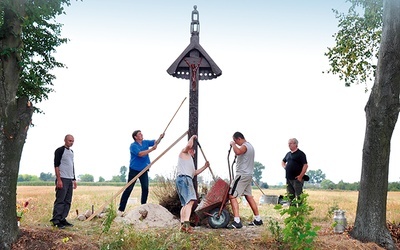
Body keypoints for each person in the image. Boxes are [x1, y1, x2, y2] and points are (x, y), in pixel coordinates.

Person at [118, 130, 164, 215]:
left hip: (144, 169)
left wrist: (160, 138)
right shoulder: (133, 146)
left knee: (145, 188)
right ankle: (121, 209)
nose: (141, 134)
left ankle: (143, 207)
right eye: (139, 134)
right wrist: (151, 150)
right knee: (129, 188)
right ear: (135, 137)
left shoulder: (145, 142)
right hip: (134, 169)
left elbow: (155, 142)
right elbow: (140, 154)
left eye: (141, 133)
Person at [227, 132, 263, 229]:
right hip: (248, 175)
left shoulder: (245, 146)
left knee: (232, 195)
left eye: (235, 141)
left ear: (238, 139)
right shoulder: (250, 146)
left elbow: (238, 152)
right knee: (249, 196)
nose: (235, 143)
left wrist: (233, 145)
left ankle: (237, 221)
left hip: (242, 175)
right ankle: (258, 219)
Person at [175, 135, 210, 233]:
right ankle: (186, 225)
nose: (194, 153)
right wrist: (193, 137)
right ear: (191, 150)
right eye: (193, 151)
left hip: (183, 179)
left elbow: (194, 173)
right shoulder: (184, 153)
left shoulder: (188, 160)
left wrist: (205, 166)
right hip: (185, 179)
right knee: (190, 201)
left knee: (185, 204)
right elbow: (189, 145)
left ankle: (182, 224)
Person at [50, 134, 76, 229]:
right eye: (70, 140)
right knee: (60, 200)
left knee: (67, 201)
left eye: (72, 141)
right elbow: (56, 165)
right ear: (65, 140)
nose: (71, 142)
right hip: (62, 178)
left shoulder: (72, 152)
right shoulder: (60, 150)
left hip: (69, 179)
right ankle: (56, 220)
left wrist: (74, 179)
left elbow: (72, 166)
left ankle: (62, 219)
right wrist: (59, 179)